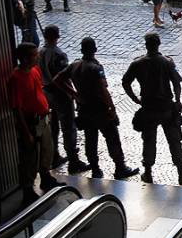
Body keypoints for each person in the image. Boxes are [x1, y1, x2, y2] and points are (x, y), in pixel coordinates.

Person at [53, 38, 138, 180]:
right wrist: (112, 108)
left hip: (84, 109)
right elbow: (103, 90)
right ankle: (120, 167)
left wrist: (74, 94)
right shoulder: (95, 68)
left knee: (90, 140)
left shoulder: (74, 65)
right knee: (112, 139)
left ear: (81, 50)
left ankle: (95, 169)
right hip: (100, 109)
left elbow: (57, 79)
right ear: (95, 50)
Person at [122, 33, 182, 185]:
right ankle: (181, 172)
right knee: (174, 140)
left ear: (146, 45)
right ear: (159, 44)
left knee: (148, 141)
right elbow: (176, 83)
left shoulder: (137, 63)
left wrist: (136, 99)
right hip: (167, 107)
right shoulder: (167, 62)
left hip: (148, 108)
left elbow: (125, 82)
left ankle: (148, 173)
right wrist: (178, 100)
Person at [7, 43, 64, 204]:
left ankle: (46, 177)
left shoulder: (35, 71)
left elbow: (38, 91)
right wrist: (26, 132)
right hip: (30, 123)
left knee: (47, 149)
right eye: (34, 55)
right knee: (29, 157)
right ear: (25, 58)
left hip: (42, 118)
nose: (37, 57)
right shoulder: (16, 79)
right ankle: (27, 189)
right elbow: (16, 108)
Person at [38, 25, 87, 173]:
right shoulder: (58, 54)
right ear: (57, 37)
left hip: (46, 92)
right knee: (68, 127)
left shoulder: (40, 52)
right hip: (60, 94)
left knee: (53, 126)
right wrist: (74, 93)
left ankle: (54, 155)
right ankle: (73, 160)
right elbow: (62, 78)